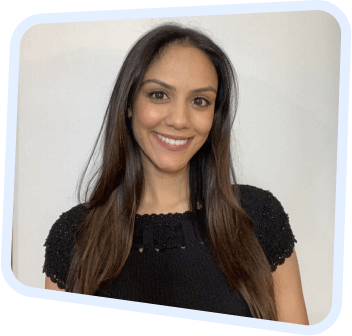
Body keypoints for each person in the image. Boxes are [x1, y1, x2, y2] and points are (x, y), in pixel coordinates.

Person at [43, 23, 309, 324]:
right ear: (129, 104)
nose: (180, 120)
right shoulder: (74, 237)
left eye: (200, 101)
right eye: (159, 95)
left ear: (214, 116)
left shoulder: (259, 217)